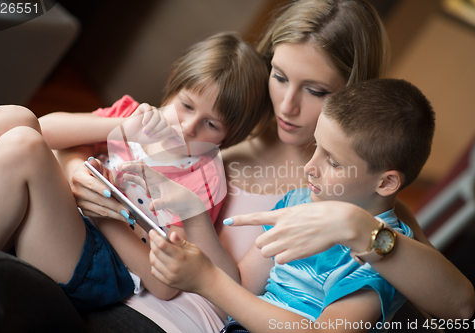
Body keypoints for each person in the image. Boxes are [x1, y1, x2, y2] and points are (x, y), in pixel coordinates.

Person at [0, 31, 269, 315]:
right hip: (60, 217)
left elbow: (164, 282)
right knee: (9, 119)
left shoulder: (202, 177)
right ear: (173, 83)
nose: (190, 126)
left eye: (212, 125)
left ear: (228, 138)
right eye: (187, 105)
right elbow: (45, 129)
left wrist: (102, 213)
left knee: (21, 145)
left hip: (97, 261)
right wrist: (121, 128)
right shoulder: (133, 114)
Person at [146, 78, 435, 333]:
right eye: (315, 148)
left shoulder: (382, 260)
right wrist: (194, 218)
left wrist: (207, 280)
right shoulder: (297, 202)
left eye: (332, 161)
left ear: (385, 183)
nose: (310, 167)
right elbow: (244, 288)